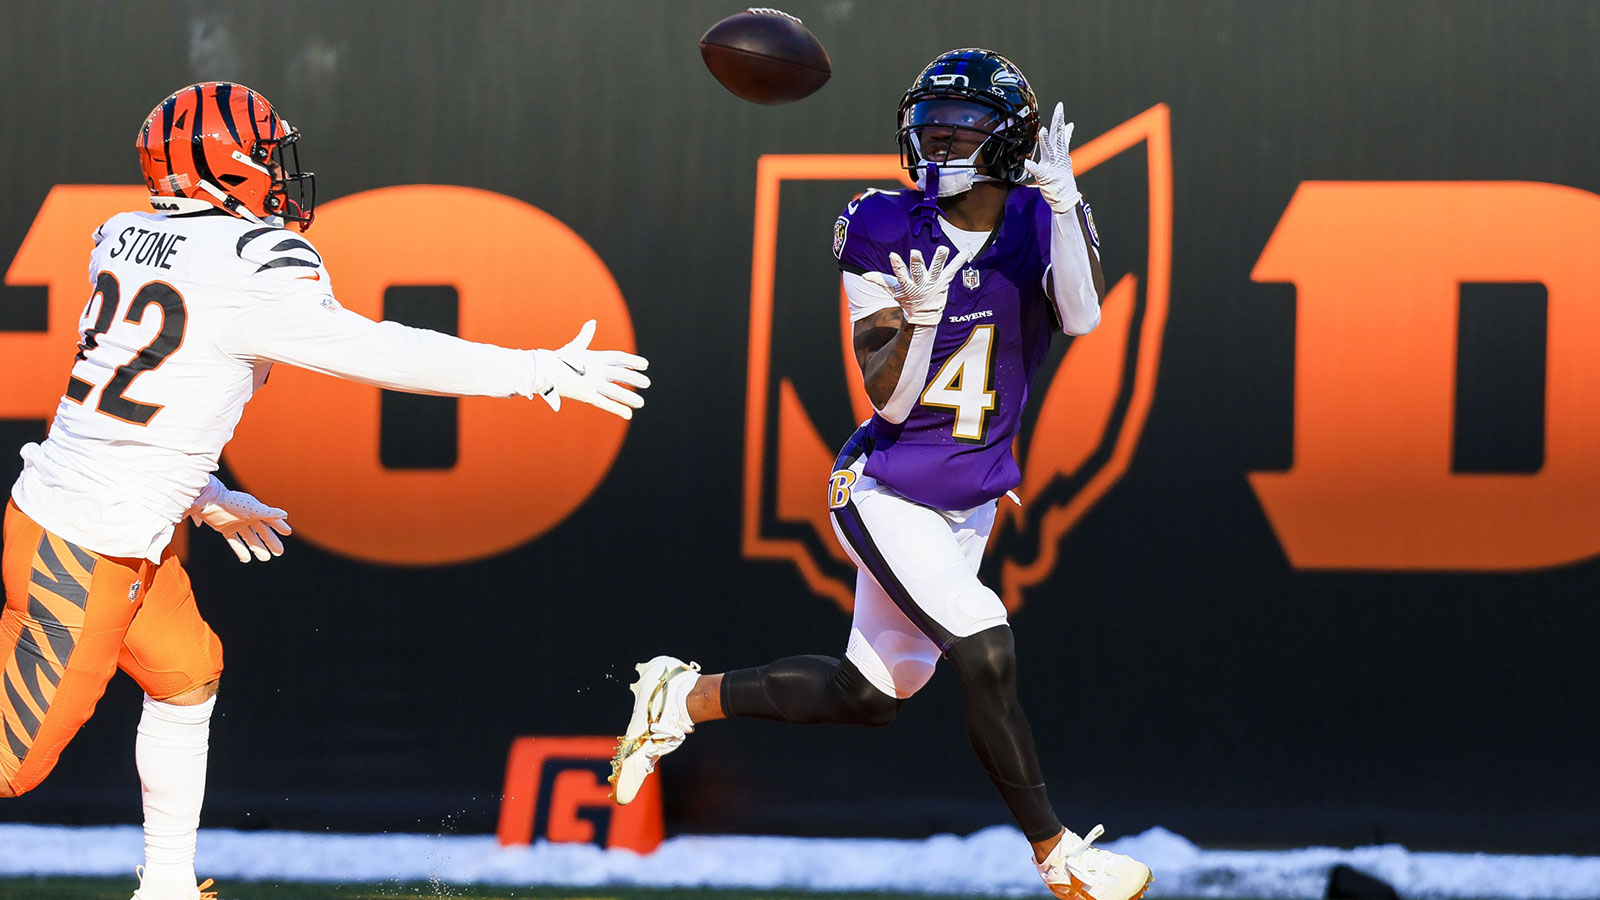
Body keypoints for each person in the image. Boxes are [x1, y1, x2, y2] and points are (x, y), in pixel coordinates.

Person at [0, 82, 649, 900]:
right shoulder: (255, 264)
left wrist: (201, 491)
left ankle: (164, 886)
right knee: (9, 768)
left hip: (109, 516)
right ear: (222, 165)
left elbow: (142, 400)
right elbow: (380, 353)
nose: (279, 167)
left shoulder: (125, 234)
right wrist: (535, 370)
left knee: (186, 671)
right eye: (265, 152)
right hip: (85, 544)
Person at [608, 49, 1150, 900]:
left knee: (869, 694)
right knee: (985, 645)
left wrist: (1067, 199)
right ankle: (1058, 857)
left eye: (962, 124)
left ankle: (683, 698)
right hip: (886, 486)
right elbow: (891, 404)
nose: (938, 139)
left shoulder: (1041, 218)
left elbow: (1082, 316)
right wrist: (924, 324)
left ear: (1008, 140)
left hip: (971, 503)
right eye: (929, 122)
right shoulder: (880, 223)